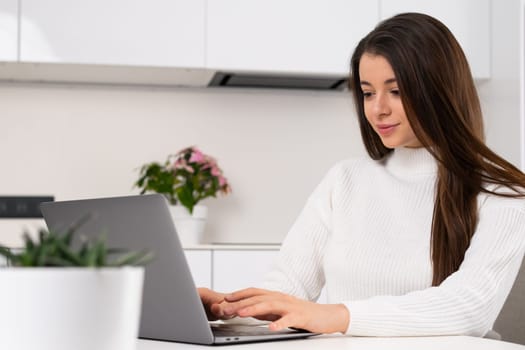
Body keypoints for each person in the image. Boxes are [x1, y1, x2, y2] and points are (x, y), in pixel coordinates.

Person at [199, 12, 525, 337]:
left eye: (395, 91)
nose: (377, 108)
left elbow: (470, 307)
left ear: (438, 90)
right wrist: (228, 311)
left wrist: (339, 316)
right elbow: (288, 292)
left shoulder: (502, 193)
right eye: (368, 92)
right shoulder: (344, 180)